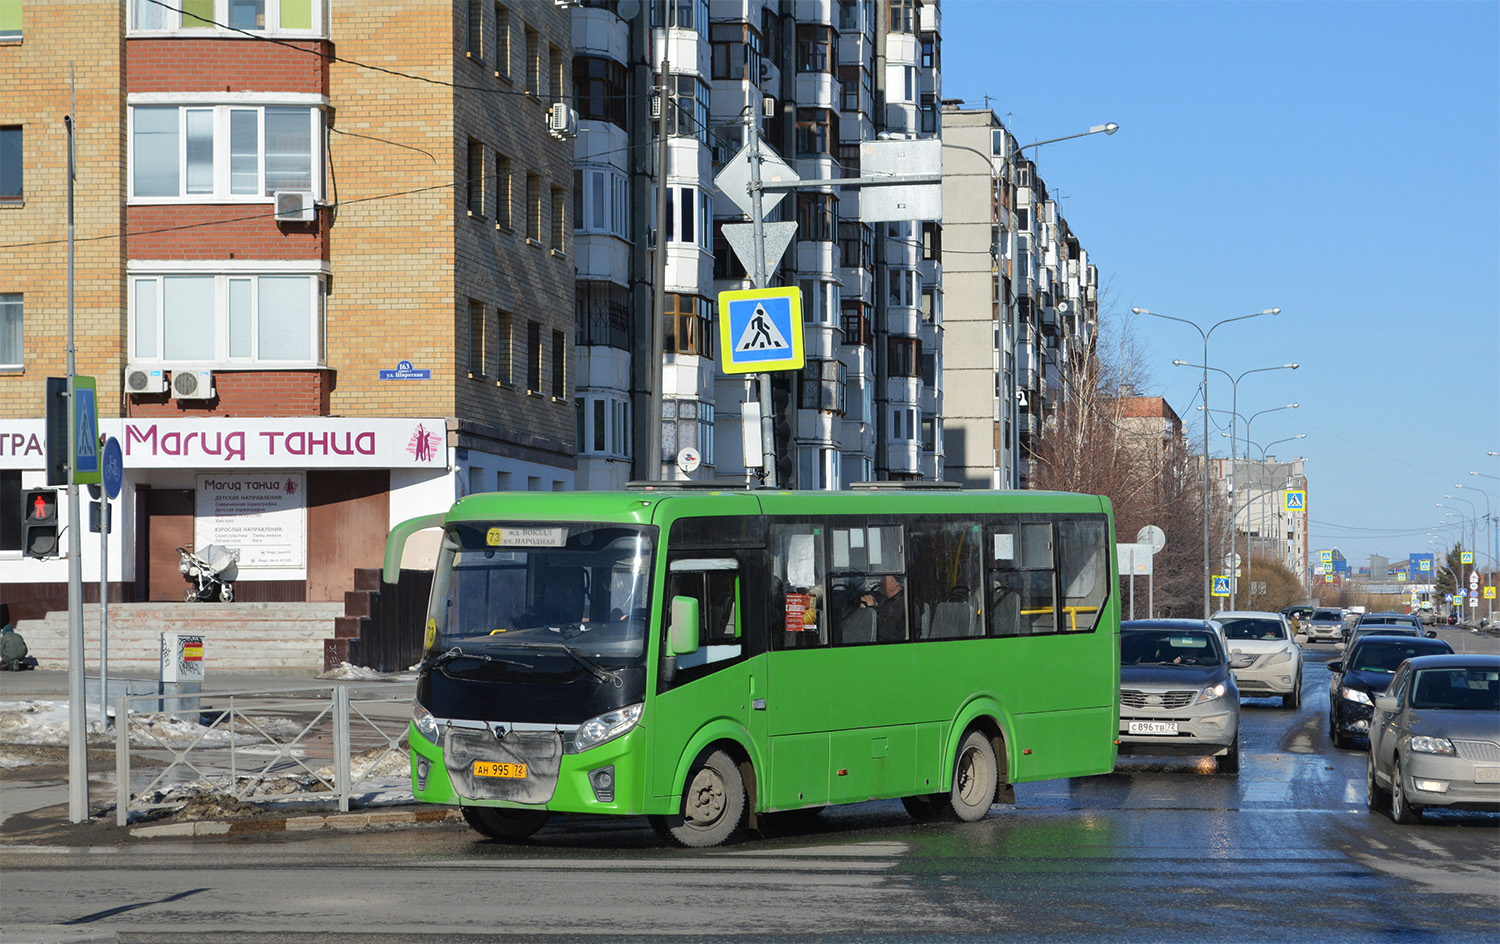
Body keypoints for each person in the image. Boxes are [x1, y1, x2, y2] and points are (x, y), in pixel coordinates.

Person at [859, 574, 907, 643]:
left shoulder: (902, 604)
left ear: (897, 583)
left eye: (884, 579)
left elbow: (887, 632)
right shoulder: (890, 601)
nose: (881, 582)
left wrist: (872, 609)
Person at [1, 606, 31, 671]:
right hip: (21, 656)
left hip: (9, 657)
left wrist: (4, 658)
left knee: (2, 666)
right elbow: (25, 647)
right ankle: (19, 665)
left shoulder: (3, 638)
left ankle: (10, 664)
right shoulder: (19, 636)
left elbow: (1, 650)